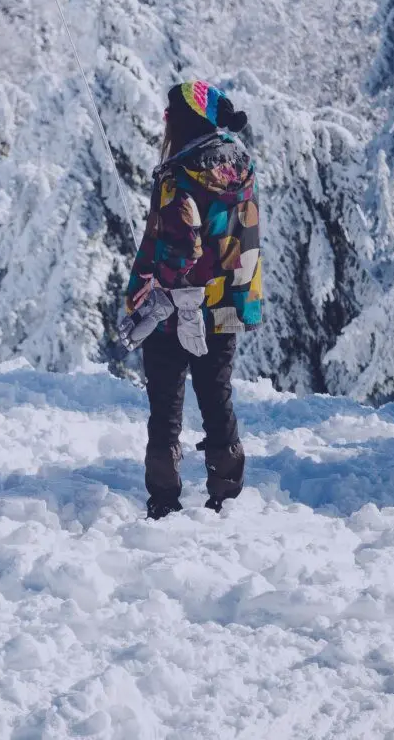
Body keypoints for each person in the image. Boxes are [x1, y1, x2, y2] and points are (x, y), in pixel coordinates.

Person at [126, 82, 260, 520]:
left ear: (182, 120)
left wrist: (155, 288)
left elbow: (181, 247)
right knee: (216, 394)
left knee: (165, 402)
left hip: (174, 308)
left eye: (169, 113)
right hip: (227, 301)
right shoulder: (241, 165)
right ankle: (227, 491)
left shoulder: (177, 173)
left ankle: (164, 498)